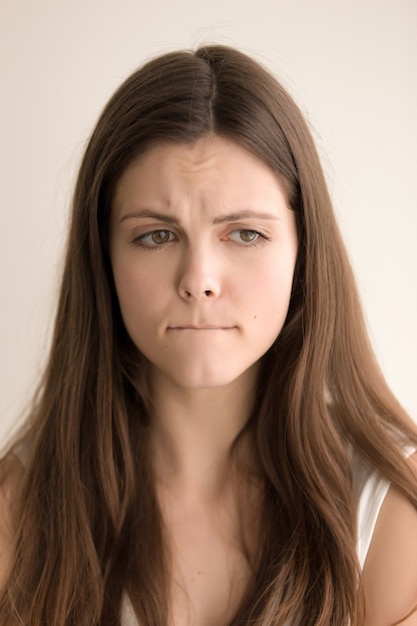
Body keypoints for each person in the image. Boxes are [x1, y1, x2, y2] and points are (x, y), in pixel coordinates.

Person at [0, 44, 416, 626]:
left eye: (244, 234)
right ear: (104, 259)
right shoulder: (17, 512)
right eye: (156, 235)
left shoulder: (393, 508)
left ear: (304, 252)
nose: (198, 280)